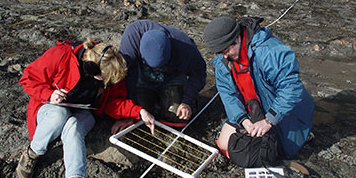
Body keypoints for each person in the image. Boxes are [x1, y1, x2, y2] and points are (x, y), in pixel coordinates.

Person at [16, 38, 155, 178]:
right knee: (60, 114)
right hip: (50, 108)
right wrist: (50, 94)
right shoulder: (61, 55)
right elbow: (28, 78)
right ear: (92, 69)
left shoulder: (109, 68)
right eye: (106, 80)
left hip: (84, 113)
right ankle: (32, 153)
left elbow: (114, 102)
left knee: (74, 124)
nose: (109, 83)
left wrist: (139, 112)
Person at [203, 16, 314, 159]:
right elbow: (227, 95)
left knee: (275, 153)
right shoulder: (223, 60)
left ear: (237, 37)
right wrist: (243, 120)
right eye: (220, 52)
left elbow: (291, 89)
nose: (225, 56)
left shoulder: (270, 52)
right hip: (252, 109)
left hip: (281, 111)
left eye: (226, 50)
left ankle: (303, 133)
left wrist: (269, 120)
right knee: (225, 146)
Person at [119, 20, 206, 127]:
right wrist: (131, 112)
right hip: (141, 76)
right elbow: (127, 73)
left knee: (177, 116)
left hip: (172, 78)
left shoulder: (186, 49)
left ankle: (168, 98)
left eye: (159, 66)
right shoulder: (132, 37)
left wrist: (187, 101)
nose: (156, 69)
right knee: (141, 113)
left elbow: (199, 74)